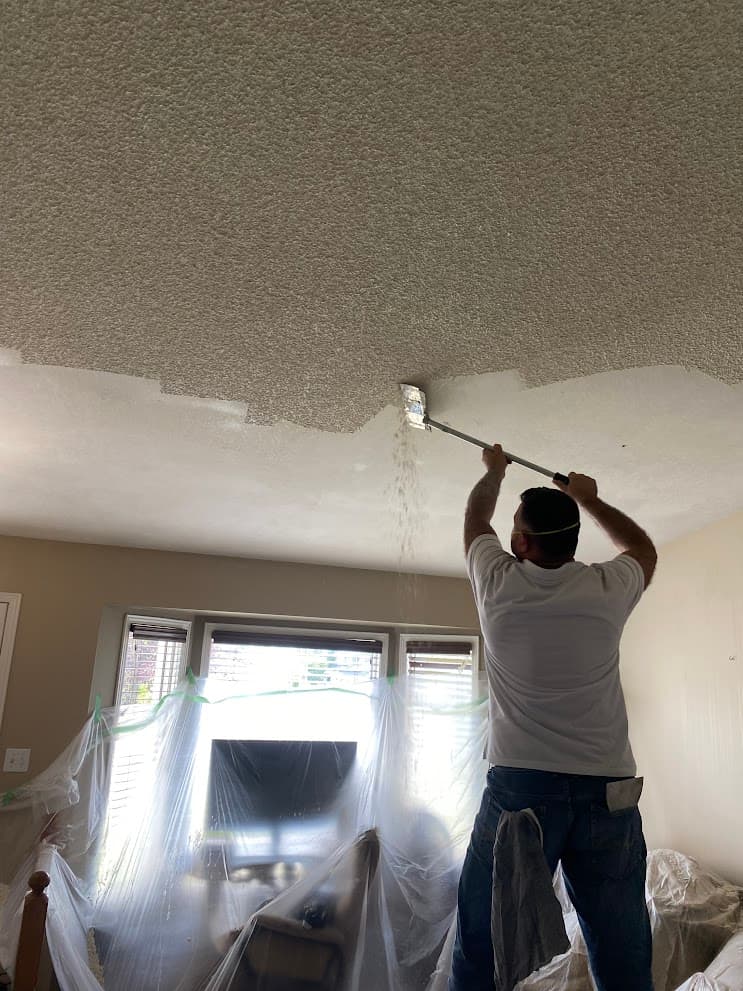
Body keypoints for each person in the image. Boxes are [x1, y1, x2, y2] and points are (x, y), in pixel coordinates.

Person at [449, 443, 657, 991]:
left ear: (519, 542)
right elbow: (641, 546)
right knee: (622, 946)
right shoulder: (606, 588)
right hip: (607, 791)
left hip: (522, 791)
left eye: (515, 527)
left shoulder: (498, 584)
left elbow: (474, 521)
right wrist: (590, 499)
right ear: (572, 541)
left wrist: (494, 472)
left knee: (483, 937)